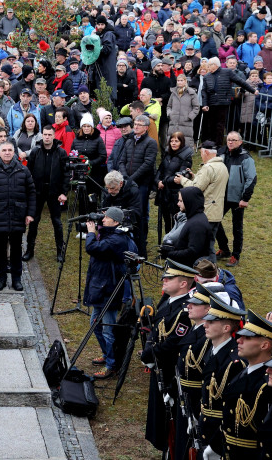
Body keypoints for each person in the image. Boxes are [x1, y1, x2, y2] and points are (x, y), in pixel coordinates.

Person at [215, 310, 272, 460]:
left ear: (265, 345)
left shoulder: (269, 385)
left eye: (247, 338)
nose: (238, 341)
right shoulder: (243, 372)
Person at [142, 260, 194, 455]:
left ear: (183, 284)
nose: (163, 279)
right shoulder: (168, 300)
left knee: (167, 419)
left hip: (169, 370)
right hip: (158, 366)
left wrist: (150, 354)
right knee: (158, 415)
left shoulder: (185, 309)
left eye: (169, 278)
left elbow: (173, 342)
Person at [174, 282, 227, 460]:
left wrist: (198, 414)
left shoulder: (208, 341)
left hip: (202, 410)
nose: (188, 306)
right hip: (190, 403)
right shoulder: (200, 334)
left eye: (195, 304)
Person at [83, 207, 135, 379]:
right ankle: (107, 355)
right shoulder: (109, 234)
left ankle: (112, 365)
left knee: (107, 329)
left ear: (116, 221)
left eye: (106, 218)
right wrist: (98, 228)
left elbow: (92, 248)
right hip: (101, 287)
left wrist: (91, 232)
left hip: (109, 289)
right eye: (103, 217)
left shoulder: (117, 240)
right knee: (95, 324)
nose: (103, 219)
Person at [0, 141, 36, 292]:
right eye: (4, 150)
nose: (6, 152)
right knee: (0, 249)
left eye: (9, 150)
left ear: (14, 152)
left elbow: (31, 193)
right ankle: (1, 278)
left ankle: (16, 279)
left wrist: (30, 214)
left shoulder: (23, 170)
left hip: (18, 215)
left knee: (16, 249)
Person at [197, 295, 246, 460]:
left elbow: (230, 409)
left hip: (218, 435)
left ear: (226, 328)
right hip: (206, 426)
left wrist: (217, 444)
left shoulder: (234, 362)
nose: (205, 324)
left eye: (211, 322)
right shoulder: (213, 350)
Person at [175, 141, 228, 261]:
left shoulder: (208, 168)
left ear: (207, 152)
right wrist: (194, 177)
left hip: (206, 212)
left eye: (201, 153)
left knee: (206, 248)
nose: (201, 156)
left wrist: (183, 180)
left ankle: (208, 273)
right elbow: (210, 185)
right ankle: (210, 272)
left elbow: (196, 190)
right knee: (210, 244)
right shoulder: (222, 166)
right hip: (216, 212)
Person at [24, 124, 70, 262]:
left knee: (57, 222)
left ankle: (60, 252)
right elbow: (28, 172)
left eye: (50, 134)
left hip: (54, 192)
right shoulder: (35, 151)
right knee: (34, 221)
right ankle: (29, 250)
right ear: (42, 135)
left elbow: (66, 174)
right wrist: (29, 190)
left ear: (54, 135)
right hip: (37, 192)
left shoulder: (61, 153)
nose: (47, 137)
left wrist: (64, 192)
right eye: (45, 134)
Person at [215, 132, 257, 266]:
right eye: (228, 140)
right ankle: (224, 249)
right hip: (222, 195)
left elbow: (252, 178)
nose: (231, 142)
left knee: (237, 227)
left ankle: (235, 255)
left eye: (234, 140)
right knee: (214, 221)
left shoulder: (245, 157)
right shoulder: (221, 153)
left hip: (237, 198)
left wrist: (245, 198)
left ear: (240, 142)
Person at [119, 114, 157, 255]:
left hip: (141, 185)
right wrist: (124, 177)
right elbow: (122, 161)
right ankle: (127, 243)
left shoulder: (151, 143)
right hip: (127, 183)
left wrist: (131, 179)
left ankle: (141, 247)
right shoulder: (129, 141)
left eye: (139, 125)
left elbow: (148, 164)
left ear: (146, 128)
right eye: (135, 124)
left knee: (139, 215)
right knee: (126, 212)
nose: (135, 126)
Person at [155, 132, 193, 235]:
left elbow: (180, 175)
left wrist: (164, 181)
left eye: (176, 141)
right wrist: (158, 181)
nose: (173, 143)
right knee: (166, 220)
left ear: (182, 142)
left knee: (176, 220)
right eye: (171, 141)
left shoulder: (186, 157)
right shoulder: (167, 154)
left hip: (176, 194)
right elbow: (160, 170)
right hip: (164, 193)